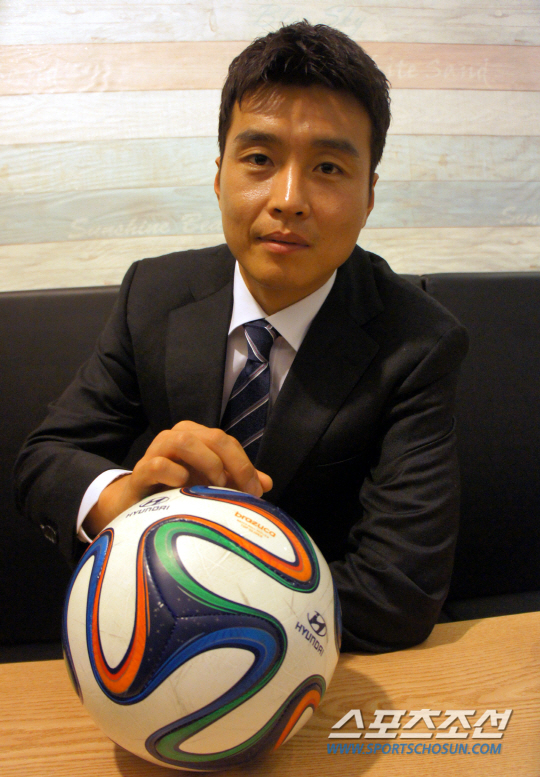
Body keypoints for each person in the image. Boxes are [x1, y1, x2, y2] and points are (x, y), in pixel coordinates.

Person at [14, 21, 468, 653]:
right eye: (259, 159)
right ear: (219, 173)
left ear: (369, 196)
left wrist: (198, 598)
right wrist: (131, 501)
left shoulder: (419, 343)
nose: (288, 200)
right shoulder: (154, 292)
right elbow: (47, 458)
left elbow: (398, 593)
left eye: (328, 167)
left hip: (317, 664)